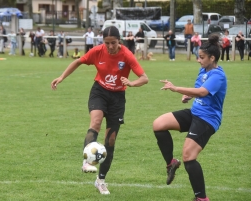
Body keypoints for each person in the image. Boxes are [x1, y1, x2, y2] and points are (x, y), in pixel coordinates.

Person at [51, 26, 149, 195]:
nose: (110, 46)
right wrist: (61, 77)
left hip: (117, 99)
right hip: (99, 92)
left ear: (120, 41)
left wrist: (131, 83)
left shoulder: (126, 55)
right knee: (95, 122)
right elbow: (77, 62)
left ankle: (101, 181)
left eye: (113, 43)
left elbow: (144, 78)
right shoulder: (97, 51)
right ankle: (86, 162)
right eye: (107, 43)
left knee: (110, 140)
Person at [152, 34, 227, 201]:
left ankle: (201, 198)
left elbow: (202, 92)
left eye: (201, 57)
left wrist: (176, 88)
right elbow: (198, 89)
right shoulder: (204, 71)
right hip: (195, 112)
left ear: (212, 57)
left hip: (207, 120)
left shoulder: (218, 76)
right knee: (158, 124)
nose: (198, 60)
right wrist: (188, 96)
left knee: (188, 156)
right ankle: (171, 162)